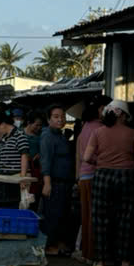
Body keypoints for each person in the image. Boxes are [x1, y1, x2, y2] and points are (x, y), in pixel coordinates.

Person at [83, 99, 134, 266]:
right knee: (125, 219)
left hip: (102, 176)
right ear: (123, 115)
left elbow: (86, 157)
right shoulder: (133, 134)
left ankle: (100, 263)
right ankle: (124, 263)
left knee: (101, 219)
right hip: (126, 177)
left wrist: (101, 161)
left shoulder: (98, 132)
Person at [73, 95, 108, 263]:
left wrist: (78, 176)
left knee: (86, 217)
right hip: (95, 176)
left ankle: (85, 252)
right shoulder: (101, 129)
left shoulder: (84, 127)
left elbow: (79, 155)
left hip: (84, 177)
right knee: (96, 218)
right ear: (98, 110)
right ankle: (93, 255)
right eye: (104, 109)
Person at [39, 105, 76, 257]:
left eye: (62, 116)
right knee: (53, 215)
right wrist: (47, 184)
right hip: (54, 182)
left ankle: (57, 244)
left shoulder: (60, 136)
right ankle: (49, 246)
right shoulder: (47, 136)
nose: (60, 119)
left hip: (65, 182)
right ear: (48, 119)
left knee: (62, 215)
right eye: (55, 116)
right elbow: (45, 161)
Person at [0, 111, 29, 177]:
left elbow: (24, 156)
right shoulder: (4, 137)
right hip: (3, 176)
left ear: (3, 124)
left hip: (15, 176)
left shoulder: (19, 135)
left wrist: (23, 177)